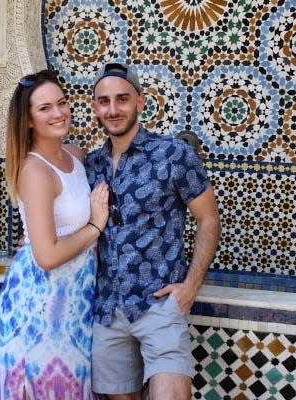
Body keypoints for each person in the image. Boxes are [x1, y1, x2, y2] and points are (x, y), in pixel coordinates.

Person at [85, 62, 221, 399]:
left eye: (122, 99)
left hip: (158, 307)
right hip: (107, 310)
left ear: (140, 102)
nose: (113, 109)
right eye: (104, 101)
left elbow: (209, 220)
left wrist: (190, 287)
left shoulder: (173, 154)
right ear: (95, 108)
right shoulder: (90, 164)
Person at [0, 69, 109, 399]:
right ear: (28, 120)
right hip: (39, 307)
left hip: (74, 301)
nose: (58, 112)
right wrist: (95, 227)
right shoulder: (35, 170)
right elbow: (46, 256)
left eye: (61, 102)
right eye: (44, 108)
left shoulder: (75, 155)